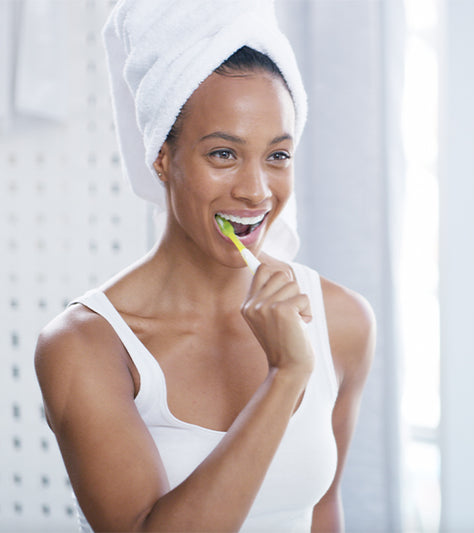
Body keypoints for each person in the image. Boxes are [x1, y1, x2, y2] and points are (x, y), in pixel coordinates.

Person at [34, 1, 375, 532]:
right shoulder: (86, 346)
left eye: (277, 156)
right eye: (223, 154)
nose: (256, 191)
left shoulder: (344, 320)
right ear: (162, 157)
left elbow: (323, 511)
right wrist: (286, 377)